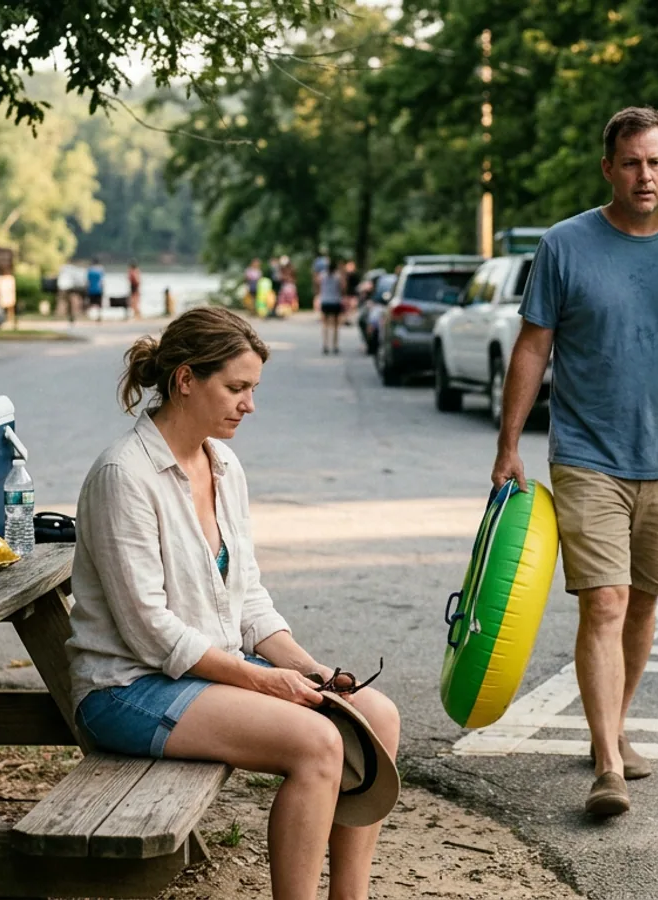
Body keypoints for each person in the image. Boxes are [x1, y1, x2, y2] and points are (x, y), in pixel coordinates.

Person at [69, 307, 400, 900]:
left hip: (206, 674)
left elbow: (247, 601)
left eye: (253, 389)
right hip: (128, 689)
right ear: (186, 380)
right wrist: (264, 683)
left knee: (377, 715)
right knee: (318, 742)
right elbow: (150, 632)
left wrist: (311, 670)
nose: (249, 404)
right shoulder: (124, 474)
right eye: (237, 388)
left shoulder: (223, 464)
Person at [489, 106, 658, 818]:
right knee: (605, 602)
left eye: (657, 161)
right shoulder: (566, 245)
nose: (647, 175)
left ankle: (610, 726)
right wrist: (508, 444)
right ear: (608, 168)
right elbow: (532, 347)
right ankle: (608, 764)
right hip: (588, 455)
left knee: (643, 604)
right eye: (633, 162)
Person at [318, 260, 346, 354]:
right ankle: (335, 345)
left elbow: (317, 285)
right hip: (335, 301)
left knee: (325, 324)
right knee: (335, 325)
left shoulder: (322, 275)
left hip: (325, 301)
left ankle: (325, 344)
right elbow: (343, 288)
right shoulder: (337, 277)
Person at [341, 259, 361, 326]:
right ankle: (347, 319)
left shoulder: (355, 275)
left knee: (352, 306)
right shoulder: (345, 275)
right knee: (347, 308)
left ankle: (349, 319)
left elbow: (358, 285)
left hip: (353, 293)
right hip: (347, 294)